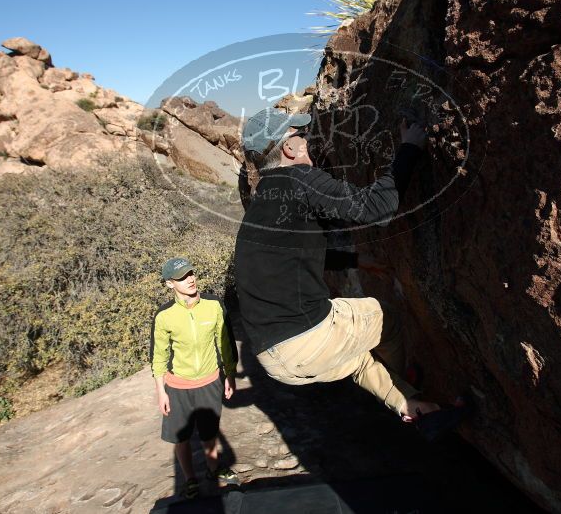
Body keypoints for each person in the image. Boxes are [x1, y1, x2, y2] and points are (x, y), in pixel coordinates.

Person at [234, 108, 465, 439]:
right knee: (385, 317)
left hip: (275, 362)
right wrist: (410, 146)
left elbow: (295, 257)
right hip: (308, 338)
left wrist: (357, 261)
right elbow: (376, 207)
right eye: (301, 137)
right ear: (288, 148)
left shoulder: (259, 205)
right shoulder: (297, 179)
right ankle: (404, 381)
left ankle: (413, 406)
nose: (306, 142)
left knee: (357, 361)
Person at [150, 257, 239, 499]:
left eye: (191, 273)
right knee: (182, 437)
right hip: (178, 385)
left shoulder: (213, 305)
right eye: (181, 277)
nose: (190, 279)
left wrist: (230, 375)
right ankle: (190, 479)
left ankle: (214, 469)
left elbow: (226, 343)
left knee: (209, 433)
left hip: (210, 381)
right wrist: (161, 391)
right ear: (170, 284)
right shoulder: (164, 316)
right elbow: (158, 355)